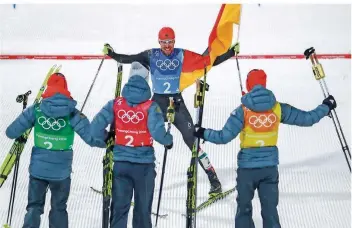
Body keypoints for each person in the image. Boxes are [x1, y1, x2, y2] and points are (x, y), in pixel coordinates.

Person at [102, 26, 239, 196]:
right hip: (157, 104)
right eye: (164, 42)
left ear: (174, 41)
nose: (167, 45)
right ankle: (133, 179)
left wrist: (230, 53)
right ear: (159, 42)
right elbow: (128, 58)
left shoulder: (182, 55)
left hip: (177, 104)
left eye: (170, 42)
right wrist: (112, 54)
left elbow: (207, 62)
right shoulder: (151, 55)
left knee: (192, 141)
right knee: (138, 133)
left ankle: (213, 179)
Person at [193, 69, 337, 228]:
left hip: (247, 170)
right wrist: (326, 107)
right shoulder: (278, 108)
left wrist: (202, 132)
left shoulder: (242, 111)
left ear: (249, 85)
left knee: (244, 211)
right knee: (270, 212)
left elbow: (223, 137)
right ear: (264, 85)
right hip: (269, 169)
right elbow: (307, 119)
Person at [5, 73, 106, 228]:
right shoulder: (72, 113)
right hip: (61, 173)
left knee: (34, 207)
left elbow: (11, 132)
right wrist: (112, 139)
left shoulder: (37, 109)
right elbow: (92, 137)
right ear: (65, 88)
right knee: (59, 208)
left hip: (38, 170)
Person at [90, 62, 173, 228]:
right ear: (147, 80)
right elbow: (157, 132)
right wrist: (168, 140)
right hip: (144, 167)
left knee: (119, 209)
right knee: (142, 211)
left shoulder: (115, 104)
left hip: (121, 163)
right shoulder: (151, 106)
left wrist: (107, 139)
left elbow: (94, 129)